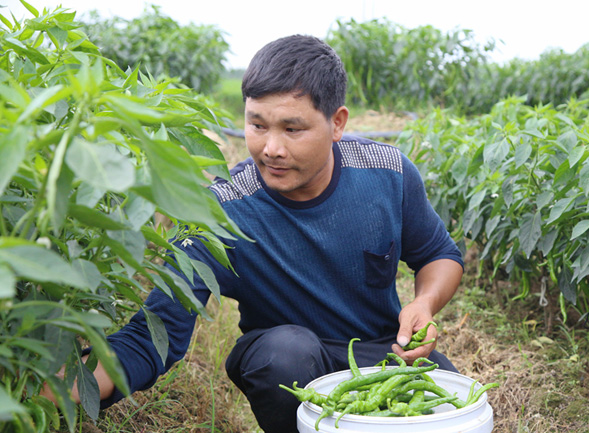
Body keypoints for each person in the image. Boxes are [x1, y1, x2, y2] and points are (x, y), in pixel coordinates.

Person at [46, 34, 464, 432]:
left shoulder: (386, 173)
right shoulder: (220, 212)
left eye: (292, 129)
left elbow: (438, 254)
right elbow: (153, 336)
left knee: (456, 406)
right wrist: (52, 388)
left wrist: (424, 302)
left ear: (336, 123)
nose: (271, 148)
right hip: (288, 360)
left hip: (380, 352)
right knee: (285, 355)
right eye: (257, 125)